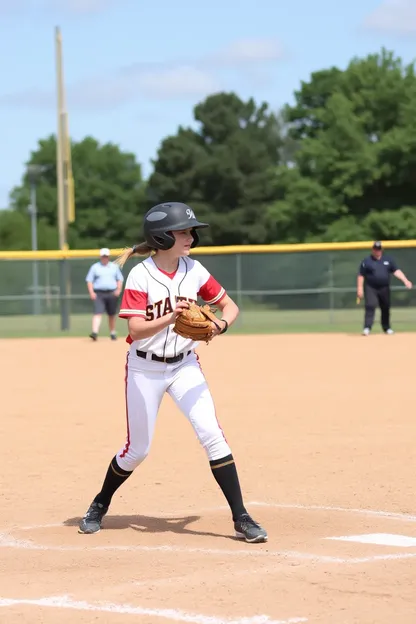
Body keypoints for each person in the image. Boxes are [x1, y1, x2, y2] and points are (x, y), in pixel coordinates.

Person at [78, 202, 267, 543]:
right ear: (162, 237)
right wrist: (171, 317)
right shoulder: (141, 275)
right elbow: (134, 329)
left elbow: (230, 306)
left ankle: (241, 518)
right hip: (144, 368)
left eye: (191, 231)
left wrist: (219, 326)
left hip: (184, 365)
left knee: (212, 434)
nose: (191, 237)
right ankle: (99, 504)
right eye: (183, 231)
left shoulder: (194, 270)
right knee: (138, 450)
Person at [357, 241, 412, 336]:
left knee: (385, 307)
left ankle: (387, 328)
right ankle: (367, 328)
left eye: (379, 249)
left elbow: (396, 271)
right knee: (370, 305)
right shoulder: (366, 261)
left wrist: (405, 280)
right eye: (375, 249)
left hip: (384, 288)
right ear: (372, 250)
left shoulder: (388, 260)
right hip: (371, 287)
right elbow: (361, 275)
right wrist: (359, 288)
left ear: (381, 250)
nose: (377, 251)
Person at [85, 247, 124, 341]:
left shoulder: (114, 266)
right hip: (99, 293)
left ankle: (112, 332)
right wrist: (91, 292)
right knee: (97, 312)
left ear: (109, 257)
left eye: (106, 256)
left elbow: (120, 279)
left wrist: (118, 290)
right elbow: (89, 280)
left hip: (111, 293)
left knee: (111, 314)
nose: (105, 258)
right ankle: (94, 332)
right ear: (100, 257)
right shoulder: (95, 267)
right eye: (103, 256)